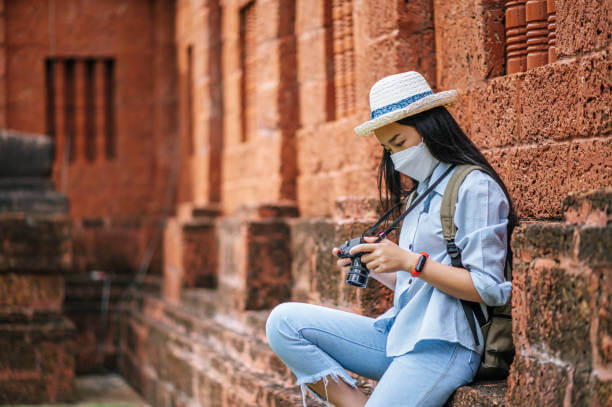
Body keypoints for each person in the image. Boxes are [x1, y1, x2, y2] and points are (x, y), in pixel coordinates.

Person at [265, 71, 517, 407]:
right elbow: (418, 283)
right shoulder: (419, 193)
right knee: (283, 323)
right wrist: (375, 262)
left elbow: (488, 287)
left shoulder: (474, 186)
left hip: (444, 345)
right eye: (388, 148)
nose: (396, 157)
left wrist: (410, 261)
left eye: (399, 143)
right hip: (397, 335)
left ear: (429, 128)